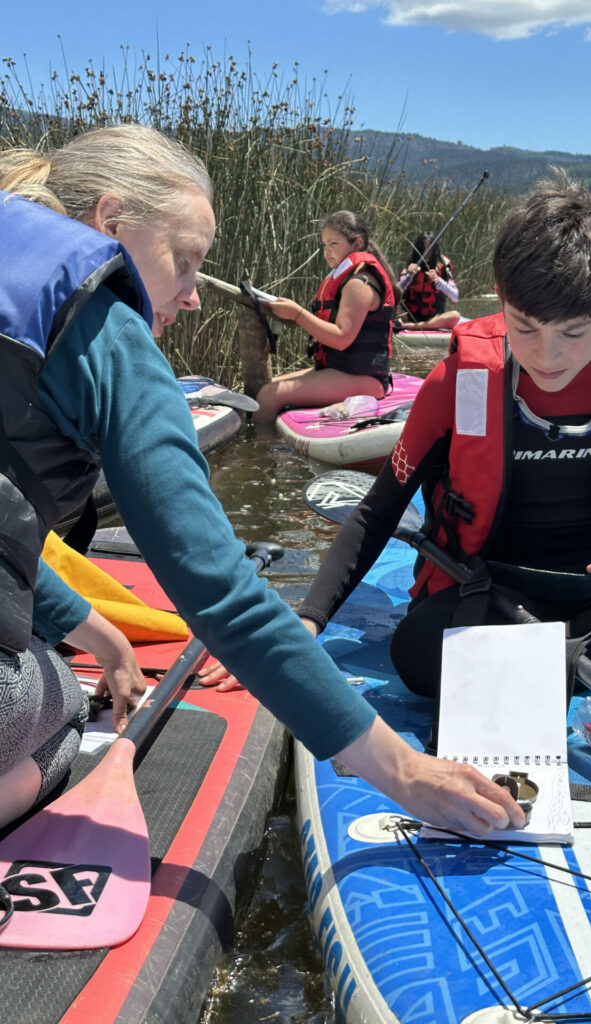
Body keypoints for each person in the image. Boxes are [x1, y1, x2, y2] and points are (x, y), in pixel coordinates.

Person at [0, 125, 521, 835]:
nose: (191, 296)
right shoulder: (109, 335)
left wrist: (106, 637)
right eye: (185, 264)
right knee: (57, 695)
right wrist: (403, 770)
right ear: (110, 222)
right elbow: (221, 595)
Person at [298, 171, 591, 706]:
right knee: (419, 652)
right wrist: (309, 620)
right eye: (524, 327)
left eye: (572, 332)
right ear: (501, 298)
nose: (546, 356)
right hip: (499, 598)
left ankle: (579, 655)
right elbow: (375, 512)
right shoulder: (457, 384)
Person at [252, 211, 400, 422]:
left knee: (269, 396)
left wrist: (298, 314)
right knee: (266, 387)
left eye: (334, 244)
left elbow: (341, 338)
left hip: (365, 379)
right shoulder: (348, 278)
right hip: (342, 371)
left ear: (356, 244)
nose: (327, 252)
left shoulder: (359, 283)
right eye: (324, 245)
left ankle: (261, 452)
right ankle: (270, 442)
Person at [396, 231, 461, 332]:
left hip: (433, 319)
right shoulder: (411, 265)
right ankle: (411, 324)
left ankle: (415, 326)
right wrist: (409, 277)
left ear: (434, 250)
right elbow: (395, 293)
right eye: (423, 249)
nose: (426, 253)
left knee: (455, 316)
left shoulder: (443, 267)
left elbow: (455, 297)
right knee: (390, 310)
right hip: (409, 316)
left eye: (429, 250)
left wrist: (439, 281)